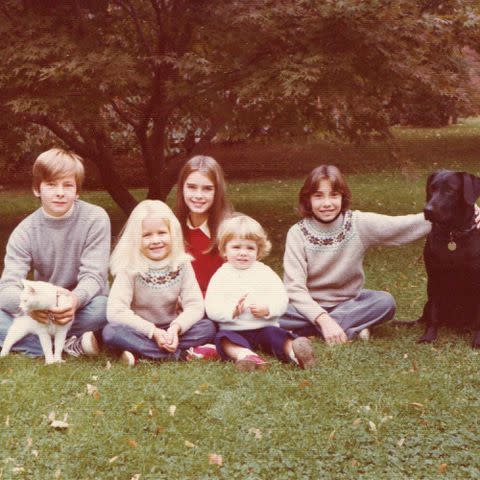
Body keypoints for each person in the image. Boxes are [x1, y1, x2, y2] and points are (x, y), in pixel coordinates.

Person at [280, 164, 434, 345]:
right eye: (318, 196)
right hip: (305, 307)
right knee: (271, 311)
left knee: (385, 302)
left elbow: (403, 225)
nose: (327, 203)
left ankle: (308, 331)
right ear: (308, 200)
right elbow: (294, 288)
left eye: (334, 195)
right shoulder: (297, 233)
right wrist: (323, 318)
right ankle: (347, 326)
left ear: (342, 197)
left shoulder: (357, 223)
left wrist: (462, 213)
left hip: (349, 304)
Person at [0, 148, 111, 357]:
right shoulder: (24, 232)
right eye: (51, 184)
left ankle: (37, 343)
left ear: (77, 191)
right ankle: (69, 343)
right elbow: (7, 287)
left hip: (81, 307)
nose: (60, 192)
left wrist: (74, 301)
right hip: (41, 308)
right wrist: (33, 308)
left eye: (67, 185)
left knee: (104, 307)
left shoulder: (95, 218)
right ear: (37, 189)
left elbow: (94, 276)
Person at [102, 200, 216, 365]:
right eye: (147, 235)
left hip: (172, 329)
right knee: (111, 332)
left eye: (162, 233)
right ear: (136, 238)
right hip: (141, 330)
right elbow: (116, 312)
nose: (155, 240)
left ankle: (144, 353)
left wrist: (176, 328)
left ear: (173, 233)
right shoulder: (130, 267)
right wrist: (152, 332)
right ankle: (179, 355)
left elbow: (195, 305)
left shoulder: (181, 264)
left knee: (208, 327)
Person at [205, 215, 316, 371]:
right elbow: (211, 307)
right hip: (233, 329)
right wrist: (231, 312)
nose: (243, 253)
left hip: (264, 327)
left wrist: (268, 309)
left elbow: (281, 298)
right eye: (236, 247)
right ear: (224, 250)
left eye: (250, 248)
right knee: (223, 339)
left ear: (258, 251)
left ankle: (295, 352)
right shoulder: (220, 276)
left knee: (277, 335)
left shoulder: (265, 273)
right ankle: (245, 356)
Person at [175, 155, 233, 296]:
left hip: (219, 308)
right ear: (182, 188)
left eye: (207, 189)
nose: (198, 195)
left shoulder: (230, 231)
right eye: (192, 187)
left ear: (217, 191)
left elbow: (237, 286)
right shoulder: (172, 228)